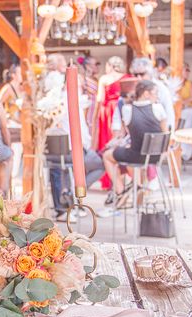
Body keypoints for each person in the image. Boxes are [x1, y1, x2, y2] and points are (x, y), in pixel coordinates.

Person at [44, 54, 105, 221]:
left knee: (62, 169)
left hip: (71, 147)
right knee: (100, 163)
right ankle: (69, 195)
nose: (81, 86)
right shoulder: (63, 101)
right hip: (69, 148)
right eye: (78, 83)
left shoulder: (67, 99)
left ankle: (72, 194)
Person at [103, 80, 168, 207]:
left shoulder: (127, 110)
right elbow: (165, 133)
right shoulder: (158, 108)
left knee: (107, 155)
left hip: (137, 155)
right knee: (133, 157)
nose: (157, 96)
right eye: (155, 93)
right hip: (157, 156)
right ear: (146, 94)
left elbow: (129, 133)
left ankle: (121, 190)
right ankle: (138, 189)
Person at [96, 56, 129, 152]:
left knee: (109, 131)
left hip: (108, 108)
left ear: (109, 66)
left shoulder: (104, 78)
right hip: (122, 107)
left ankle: (107, 152)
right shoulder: (126, 78)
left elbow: (100, 98)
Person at [178, 62, 192, 160]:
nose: (187, 72)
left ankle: (185, 151)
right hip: (180, 110)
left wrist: (182, 103)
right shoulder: (176, 83)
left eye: (188, 70)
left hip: (190, 109)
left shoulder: (189, 84)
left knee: (186, 119)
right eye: (186, 70)